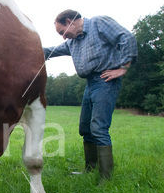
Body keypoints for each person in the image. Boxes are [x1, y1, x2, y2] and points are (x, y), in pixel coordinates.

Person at [44, 10, 137, 181]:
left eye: (61, 32)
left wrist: (123, 68)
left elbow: (126, 37)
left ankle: (105, 178)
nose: (63, 37)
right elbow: (51, 51)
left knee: (98, 128)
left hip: (105, 81)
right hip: (90, 84)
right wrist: (28, 50)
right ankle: (90, 168)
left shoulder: (98, 23)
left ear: (69, 21)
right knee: (85, 128)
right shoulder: (72, 42)